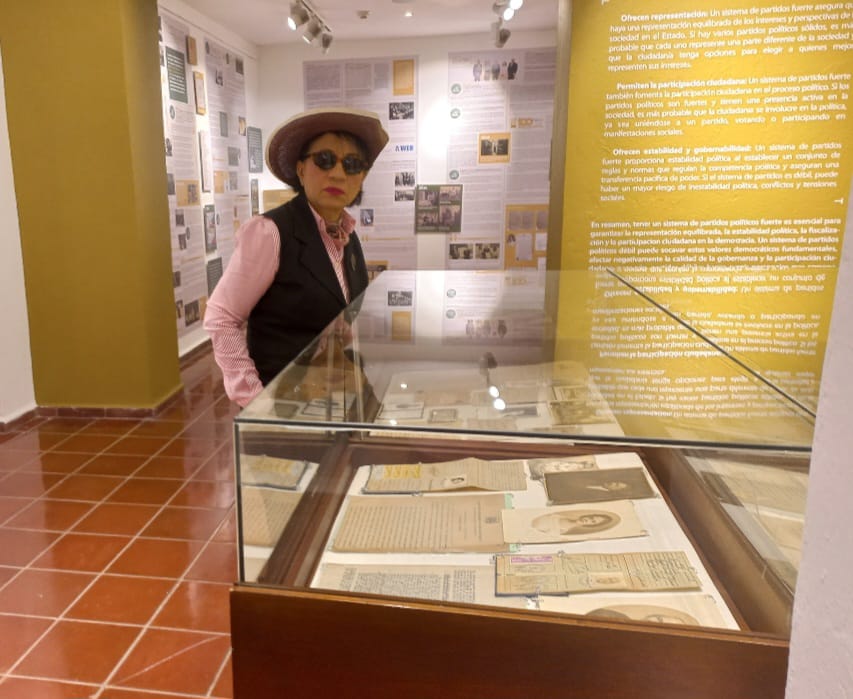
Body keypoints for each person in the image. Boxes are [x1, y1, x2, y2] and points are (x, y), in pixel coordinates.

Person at [204, 107, 389, 407]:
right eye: (324, 160)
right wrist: (256, 401)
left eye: (352, 164)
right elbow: (222, 318)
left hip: (328, 397)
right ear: (301, 169)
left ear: (362, 177)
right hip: (284, 403)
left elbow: (336, 315)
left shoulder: (347, 236)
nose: (338, 173)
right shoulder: (270, 232)